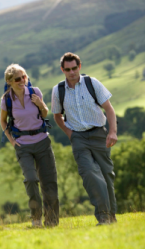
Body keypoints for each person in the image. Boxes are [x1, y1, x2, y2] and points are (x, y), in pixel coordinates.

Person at [51, 52, 119, 226]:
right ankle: (103, 216)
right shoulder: (58, 90)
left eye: (74, 68)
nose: (72, 72)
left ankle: (111, 216)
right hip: (78, 137)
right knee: (89, 173)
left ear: (79, 67)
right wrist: (70, 134)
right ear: (62, 70)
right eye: (68, 69)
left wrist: (112, 132)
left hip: (99, 134)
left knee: (106, 175)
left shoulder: (92, 83)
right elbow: (57, 115)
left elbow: (109, 110)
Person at [0, 64, 59, 227]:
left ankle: (52, 221)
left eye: (24, 77)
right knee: (31, 179)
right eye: (18, 79)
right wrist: (12, 141)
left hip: (42, 142)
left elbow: (45, 113)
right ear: (9, 81)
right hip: (23, 145)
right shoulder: (6, 100)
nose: (22, 81)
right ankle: (36, 218)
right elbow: (3, 121)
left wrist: (41, 104)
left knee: (49, 183)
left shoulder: (35, 92)